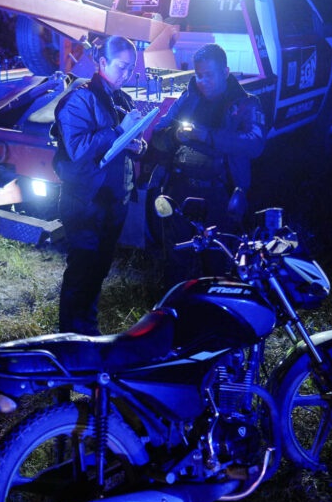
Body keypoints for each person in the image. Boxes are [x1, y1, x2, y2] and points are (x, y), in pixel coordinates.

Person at [52, 36, 146, 335]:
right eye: (121, 66)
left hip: (113, 199)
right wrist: (119, 132)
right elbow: (77, 149)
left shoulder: (122, 99)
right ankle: (71, 340)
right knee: (82, 272)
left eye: (131, 68)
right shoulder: (79, 99)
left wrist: (136, 145)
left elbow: (123, 142)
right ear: (102, 62)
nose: (126, 74)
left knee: (99, 269)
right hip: (85, 200)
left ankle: (87, 334)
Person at [151, 43, 266, 230]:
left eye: (209, 75)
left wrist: (208, 136)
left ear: (225, 72)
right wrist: (176, 135)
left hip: (221, 194)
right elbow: (158, 134)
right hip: (180, 191)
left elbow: (255, 144)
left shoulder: (247, 104)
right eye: (199, 75)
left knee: (219, 246)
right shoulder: (187, 98)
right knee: (177, 245)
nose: (203, 81)